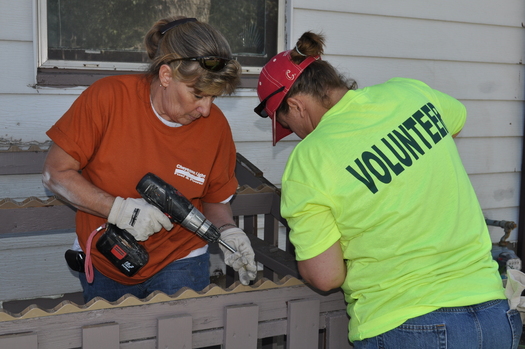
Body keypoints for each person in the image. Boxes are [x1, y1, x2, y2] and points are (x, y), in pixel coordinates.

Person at [253, 31, 522, 348]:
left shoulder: (310, 158)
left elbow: (325, 276)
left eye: (287, 124)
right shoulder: (408, 92)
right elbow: (457, 119)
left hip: (407, 325)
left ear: (297, 106)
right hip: (494, 313)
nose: (296, 135)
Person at [42, 16, 257, 303]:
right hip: (107, 259)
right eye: (198, 94)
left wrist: (228, 232)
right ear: (166, 76)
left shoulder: (215, 127)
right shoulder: (108, 98)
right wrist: (120, 211)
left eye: (214, 98)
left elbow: (214, 200)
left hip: (182, 260)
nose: (206, 109)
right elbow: (55, 174)